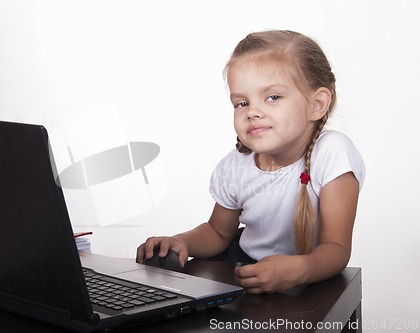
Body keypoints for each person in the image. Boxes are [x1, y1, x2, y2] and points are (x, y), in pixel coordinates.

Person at [136, 30, 365, 294]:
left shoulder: (333, 153)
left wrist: (297, 270)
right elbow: (218, 233)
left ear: (316, 104)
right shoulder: (236, 165)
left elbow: (336, 248)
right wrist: (180, 241)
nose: (253, 112)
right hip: (244, 270)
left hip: (310, 276)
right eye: (242, 103)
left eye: (273, 97)